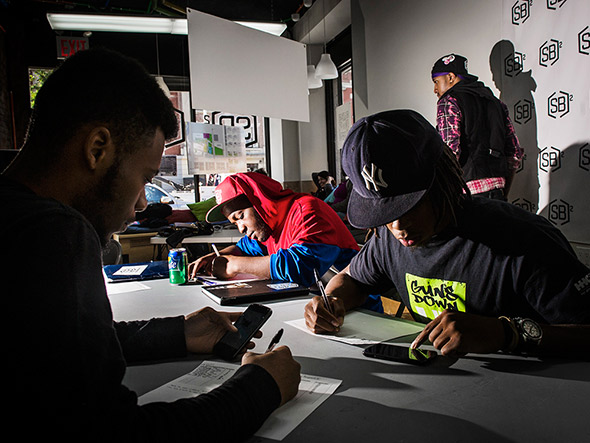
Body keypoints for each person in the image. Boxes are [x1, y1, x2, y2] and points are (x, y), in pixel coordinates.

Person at [1, 48, 301, 441]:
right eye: (144, 177)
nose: (143, 204)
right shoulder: (52, 233)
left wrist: (177, 332)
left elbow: (50, 352)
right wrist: (261, 386)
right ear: (97, 149)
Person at [304, 109, 590, 359]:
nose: (398, 227)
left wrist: (508, 333)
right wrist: (331, 302)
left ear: (441, 180)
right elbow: (353, 278)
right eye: (386, 215)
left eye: (410, 207)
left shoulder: (523, 240)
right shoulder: (388, 239)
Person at [188, 172, 371, 294]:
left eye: (241, 216)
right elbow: (243, 248)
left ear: (260, 201)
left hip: (360, 314)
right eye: (235, 223)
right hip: (315, 309)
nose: (241, 228)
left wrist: (233, 265)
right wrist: (213, 257)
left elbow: (301, 269)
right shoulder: (267, 228)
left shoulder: (307, 210)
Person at [431, 53, 523, 200]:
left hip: (468, 194)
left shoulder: (449, 101)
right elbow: (514, 154)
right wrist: (503, 195)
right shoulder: (495, 102)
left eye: (436, 81)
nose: (435, 89)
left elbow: (450, 153)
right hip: (498, 191)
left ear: (450, 77)